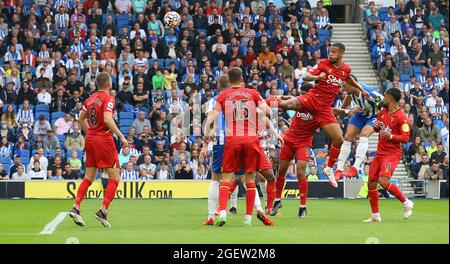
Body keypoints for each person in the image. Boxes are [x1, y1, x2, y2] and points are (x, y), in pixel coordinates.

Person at [271, 43, 370, 187]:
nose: (331, 54)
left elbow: (349, 78)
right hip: (312, 100)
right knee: (287, 104)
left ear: (341, 53)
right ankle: (260, 100)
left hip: (324, 109)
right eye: (330, 52)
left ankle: (329, 168)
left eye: (334, 52)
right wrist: (316, 77)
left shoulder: (345, 69)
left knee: (339, 139)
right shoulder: (323, 63)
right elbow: (305, 76)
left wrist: (363, 90)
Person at [204, 67, 272, 227]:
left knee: (222, 178)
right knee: (249, 178)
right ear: (242, 78)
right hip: (250, 139)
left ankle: (218, 212)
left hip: (229, 140)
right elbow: (268, 112)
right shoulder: (253, 94)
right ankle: (250, 216)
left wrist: (207, 136)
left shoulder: (222, 97)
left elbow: (210, 120)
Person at [68, 72, 128, 228]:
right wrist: (121, 137)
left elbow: (81, 118)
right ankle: (103, 211)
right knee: (115, 177)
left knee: (89, 177)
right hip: (104, 140)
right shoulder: (108, 99)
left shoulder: (90, 99)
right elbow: (108, 119)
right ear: (108, 84)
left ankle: (76, 207)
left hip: (91, 139)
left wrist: (90, 132)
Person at [364, 88, 414, 223]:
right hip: (380, 153)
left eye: (385, 95)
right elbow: (376, 129)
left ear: (390, 98)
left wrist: (390, 136)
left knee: (383, 180)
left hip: (392, 154)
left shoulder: (402, 118)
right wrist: (376, 126)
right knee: (371, 182)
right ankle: (375, 215)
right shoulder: (383, 111)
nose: (383, 98)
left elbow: (405, 138)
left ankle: (407, 202)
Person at [335, 76, 384, 179]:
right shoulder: (350, 93)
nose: (343, 88)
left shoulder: (369, 93)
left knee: (364, 135)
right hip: (361, 115)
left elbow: (384, 103)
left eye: (344, 86)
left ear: (352, 84)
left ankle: (355, 168)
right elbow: (342, 108)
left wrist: (383, 120)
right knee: (347, 137)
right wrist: (345, 111)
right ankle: (339, 170)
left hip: (374, 116)